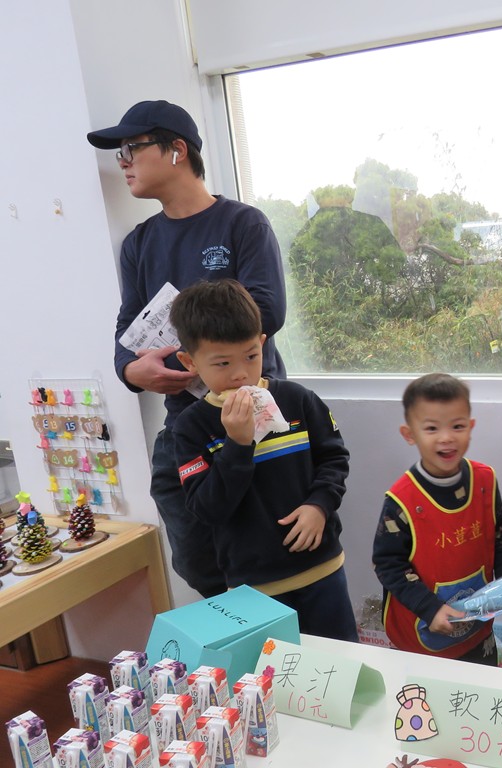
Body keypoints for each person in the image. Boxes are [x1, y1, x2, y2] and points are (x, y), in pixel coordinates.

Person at [87, 100, 287, 597]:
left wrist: (193, 349)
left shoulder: (243, 223)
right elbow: (127, 328)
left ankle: (281, 637)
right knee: (197, 558)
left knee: (271, 554)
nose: (123, 162)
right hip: (185, 422)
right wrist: (132, 372)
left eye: (131, 148)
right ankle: (232, 632)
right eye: (119, 153)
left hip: (254, 412)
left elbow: (267, 310)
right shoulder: (139, 243)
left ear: (177, 149)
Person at [169, 280, 357, 641]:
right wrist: (238, 445)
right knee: (271, 672)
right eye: (222, 363)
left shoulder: (298, 400)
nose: (240, 373)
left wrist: (319, 505)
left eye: (251, 356)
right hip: (253, 588)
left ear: (263, 343)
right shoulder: (191, 427)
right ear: (190, 362)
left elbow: (334, 458)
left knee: (340, 661)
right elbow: (207, 508)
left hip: (322, 569)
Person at [372, 373, 502, 664]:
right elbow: (388, 565)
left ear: (470, 427)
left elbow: (500, 535)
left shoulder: (485, 480)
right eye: (431, 428)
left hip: (478, 628)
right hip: (423, 633)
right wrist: (430, 608)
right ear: (409, 434)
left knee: (482, 682)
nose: (446, 437)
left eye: (457, 426)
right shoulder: (401, 501)